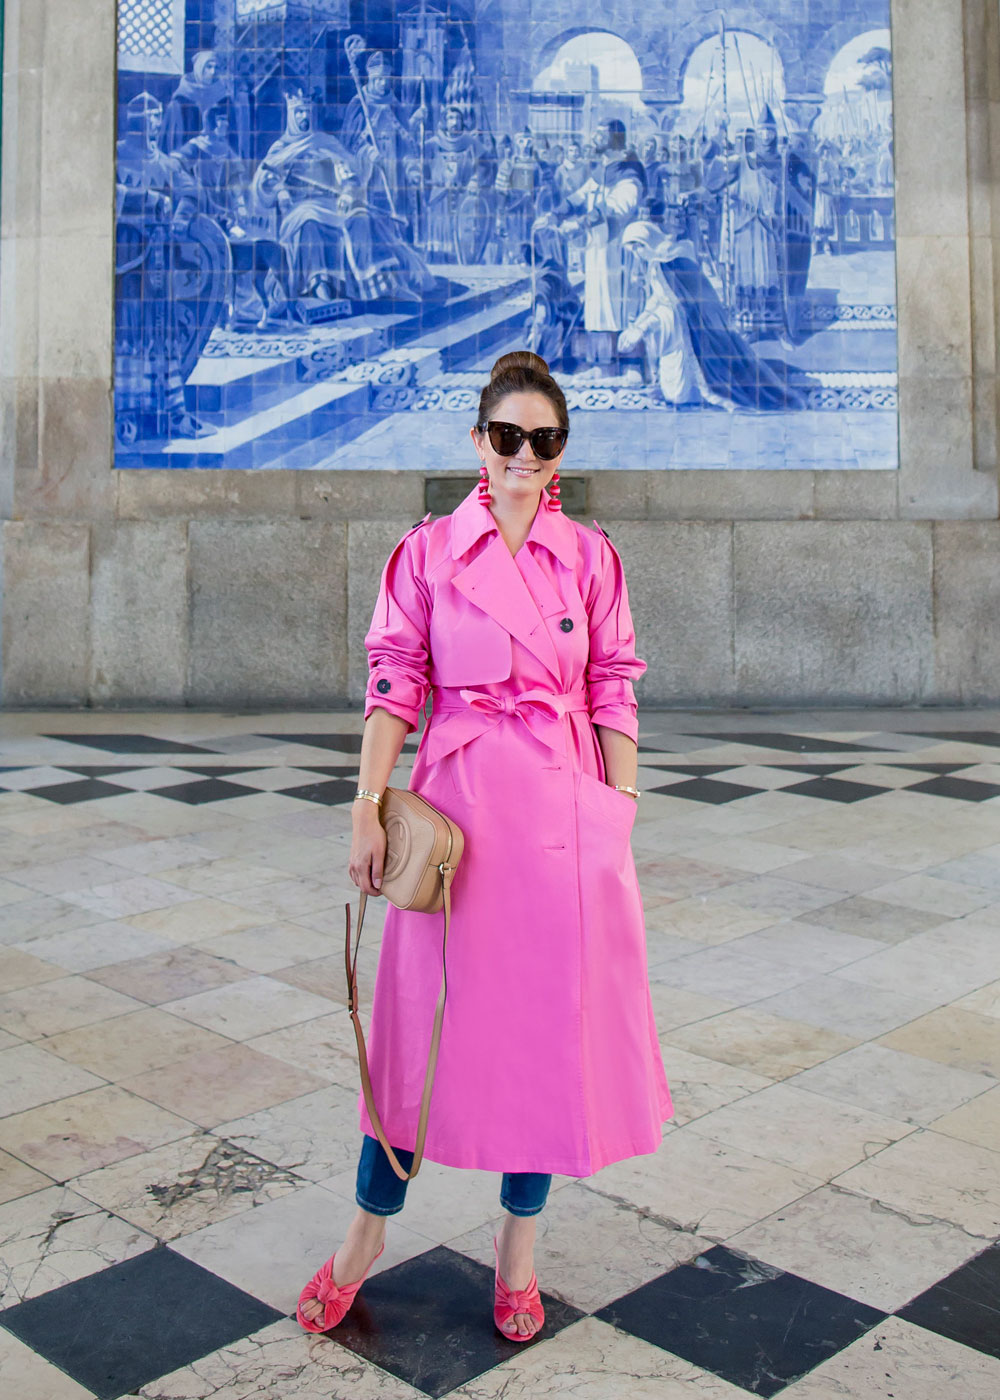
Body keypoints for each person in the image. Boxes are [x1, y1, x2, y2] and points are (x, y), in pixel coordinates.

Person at [296, 350, 674, 1341]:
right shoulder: (427, 551)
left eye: (542, 440)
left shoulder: (589, 557)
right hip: (458, 824)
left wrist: (618, 804)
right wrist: (367, 803)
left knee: (540, 1042)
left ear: (560, 452)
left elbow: (614, 685)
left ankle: (518, 1247)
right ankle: (365, 1233)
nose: (522, 454)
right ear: (477, 440)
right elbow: (393, 679)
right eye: (505, 435)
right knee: (413, 1038)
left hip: (559, 822)